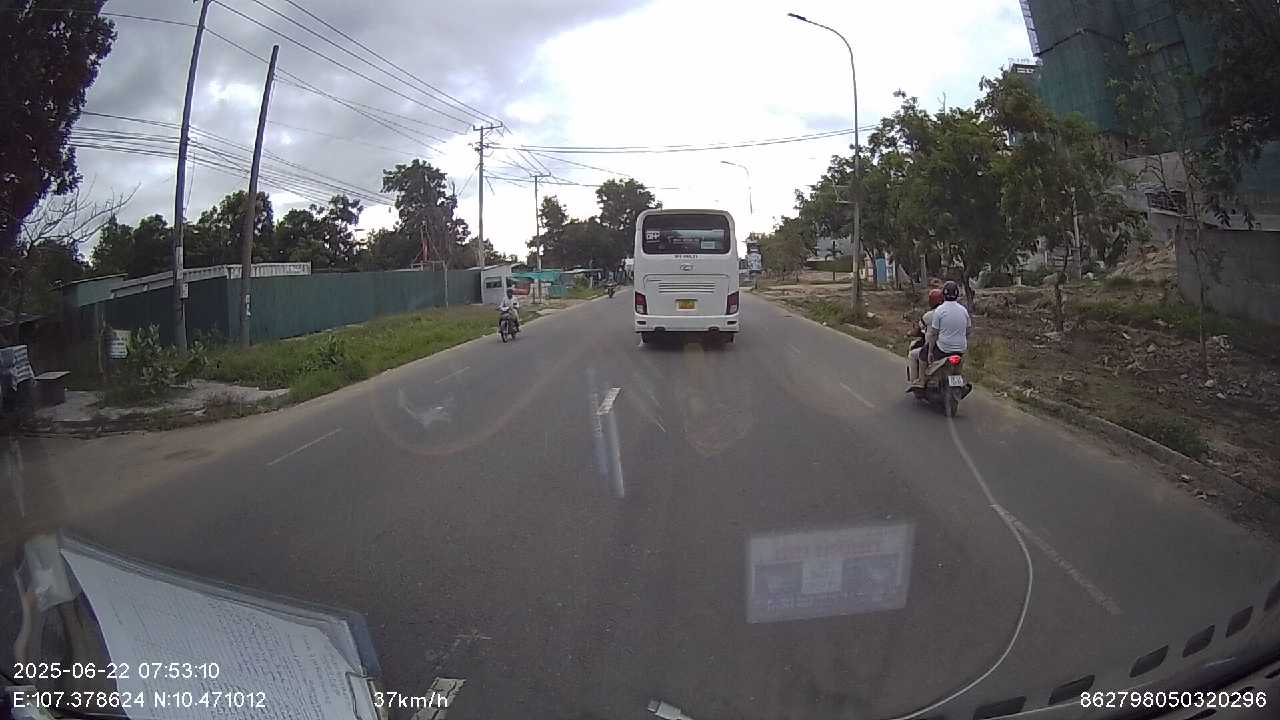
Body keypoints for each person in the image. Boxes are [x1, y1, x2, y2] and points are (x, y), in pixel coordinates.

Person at [925, 280, 972, 367]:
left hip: (943, 349)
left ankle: (924, 375)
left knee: (922, 356)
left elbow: (934, 334)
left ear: (943, 294)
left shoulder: (939, 310)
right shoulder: (964, 310)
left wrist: (930, 352)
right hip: (961, 350)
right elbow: (968, 331)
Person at [906, 288, 945, 389]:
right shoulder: (947, 313)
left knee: (913, 354)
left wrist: (909, 333)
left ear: (931, 301)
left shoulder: (929, 315)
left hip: (935, 348)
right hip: (950, 347)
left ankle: (917, 381)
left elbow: (918, 330)